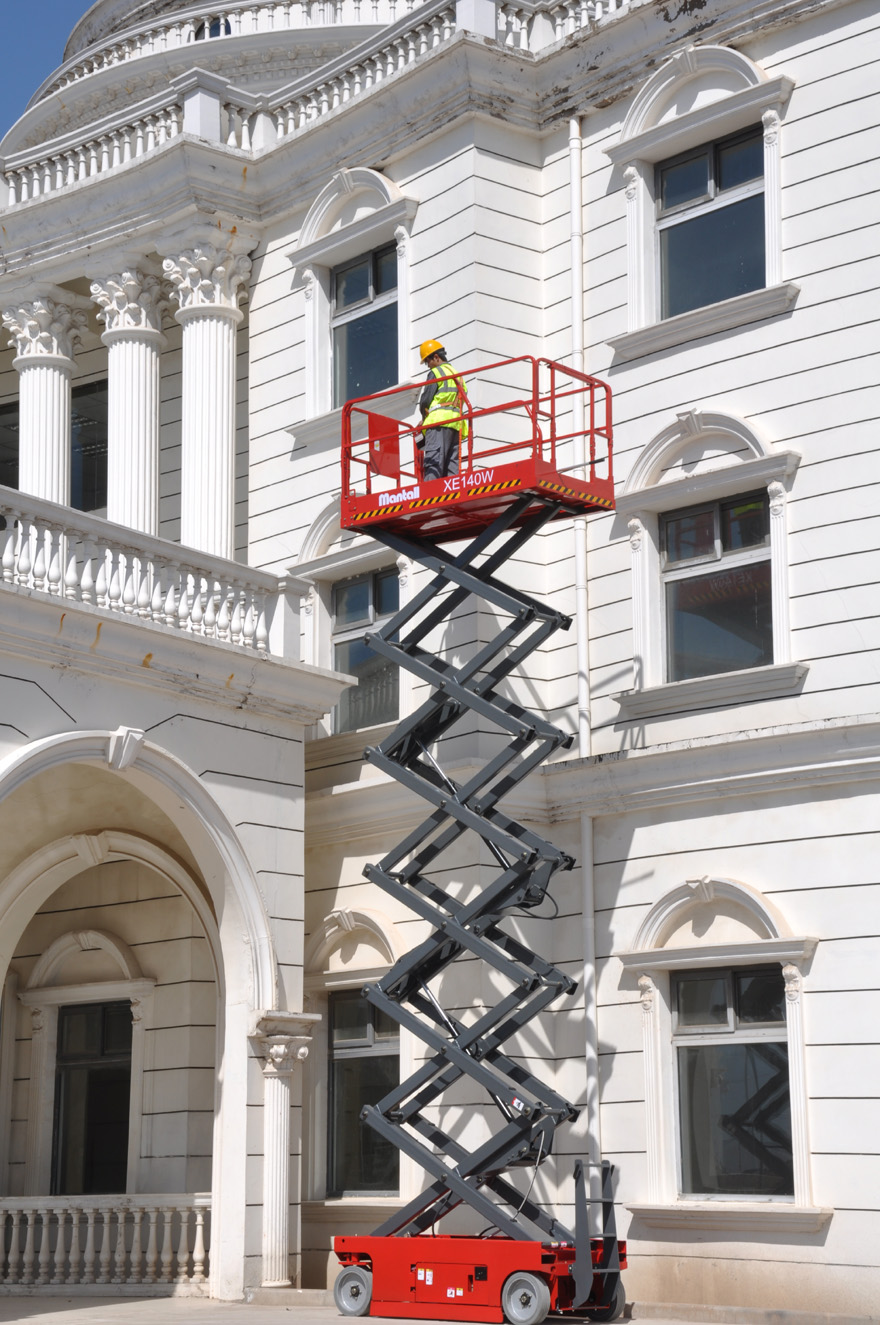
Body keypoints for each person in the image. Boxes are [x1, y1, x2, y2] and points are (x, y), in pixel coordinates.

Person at [417, 339, 469, 481]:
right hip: (456, 423)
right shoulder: (458, 375)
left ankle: (429, 496)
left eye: (428, 362)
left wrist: (424, 417)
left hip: (438, 423)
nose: (428, 366)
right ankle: (452, 494)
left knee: (434, 462)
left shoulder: (436, 372)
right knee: (452, 464)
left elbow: (425, 400)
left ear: (436, 357)